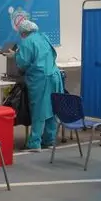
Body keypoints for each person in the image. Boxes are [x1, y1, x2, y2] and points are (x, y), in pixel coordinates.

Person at [15, 19, 64, 151]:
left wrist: (16, 56)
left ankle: (35, 142)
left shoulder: (27, 42)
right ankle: (49, 140)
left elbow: (23, 63)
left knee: (39, 110)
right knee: (52, 108)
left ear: (23, 32)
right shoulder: (43, 37)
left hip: (40, 79)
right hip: (54, 76)